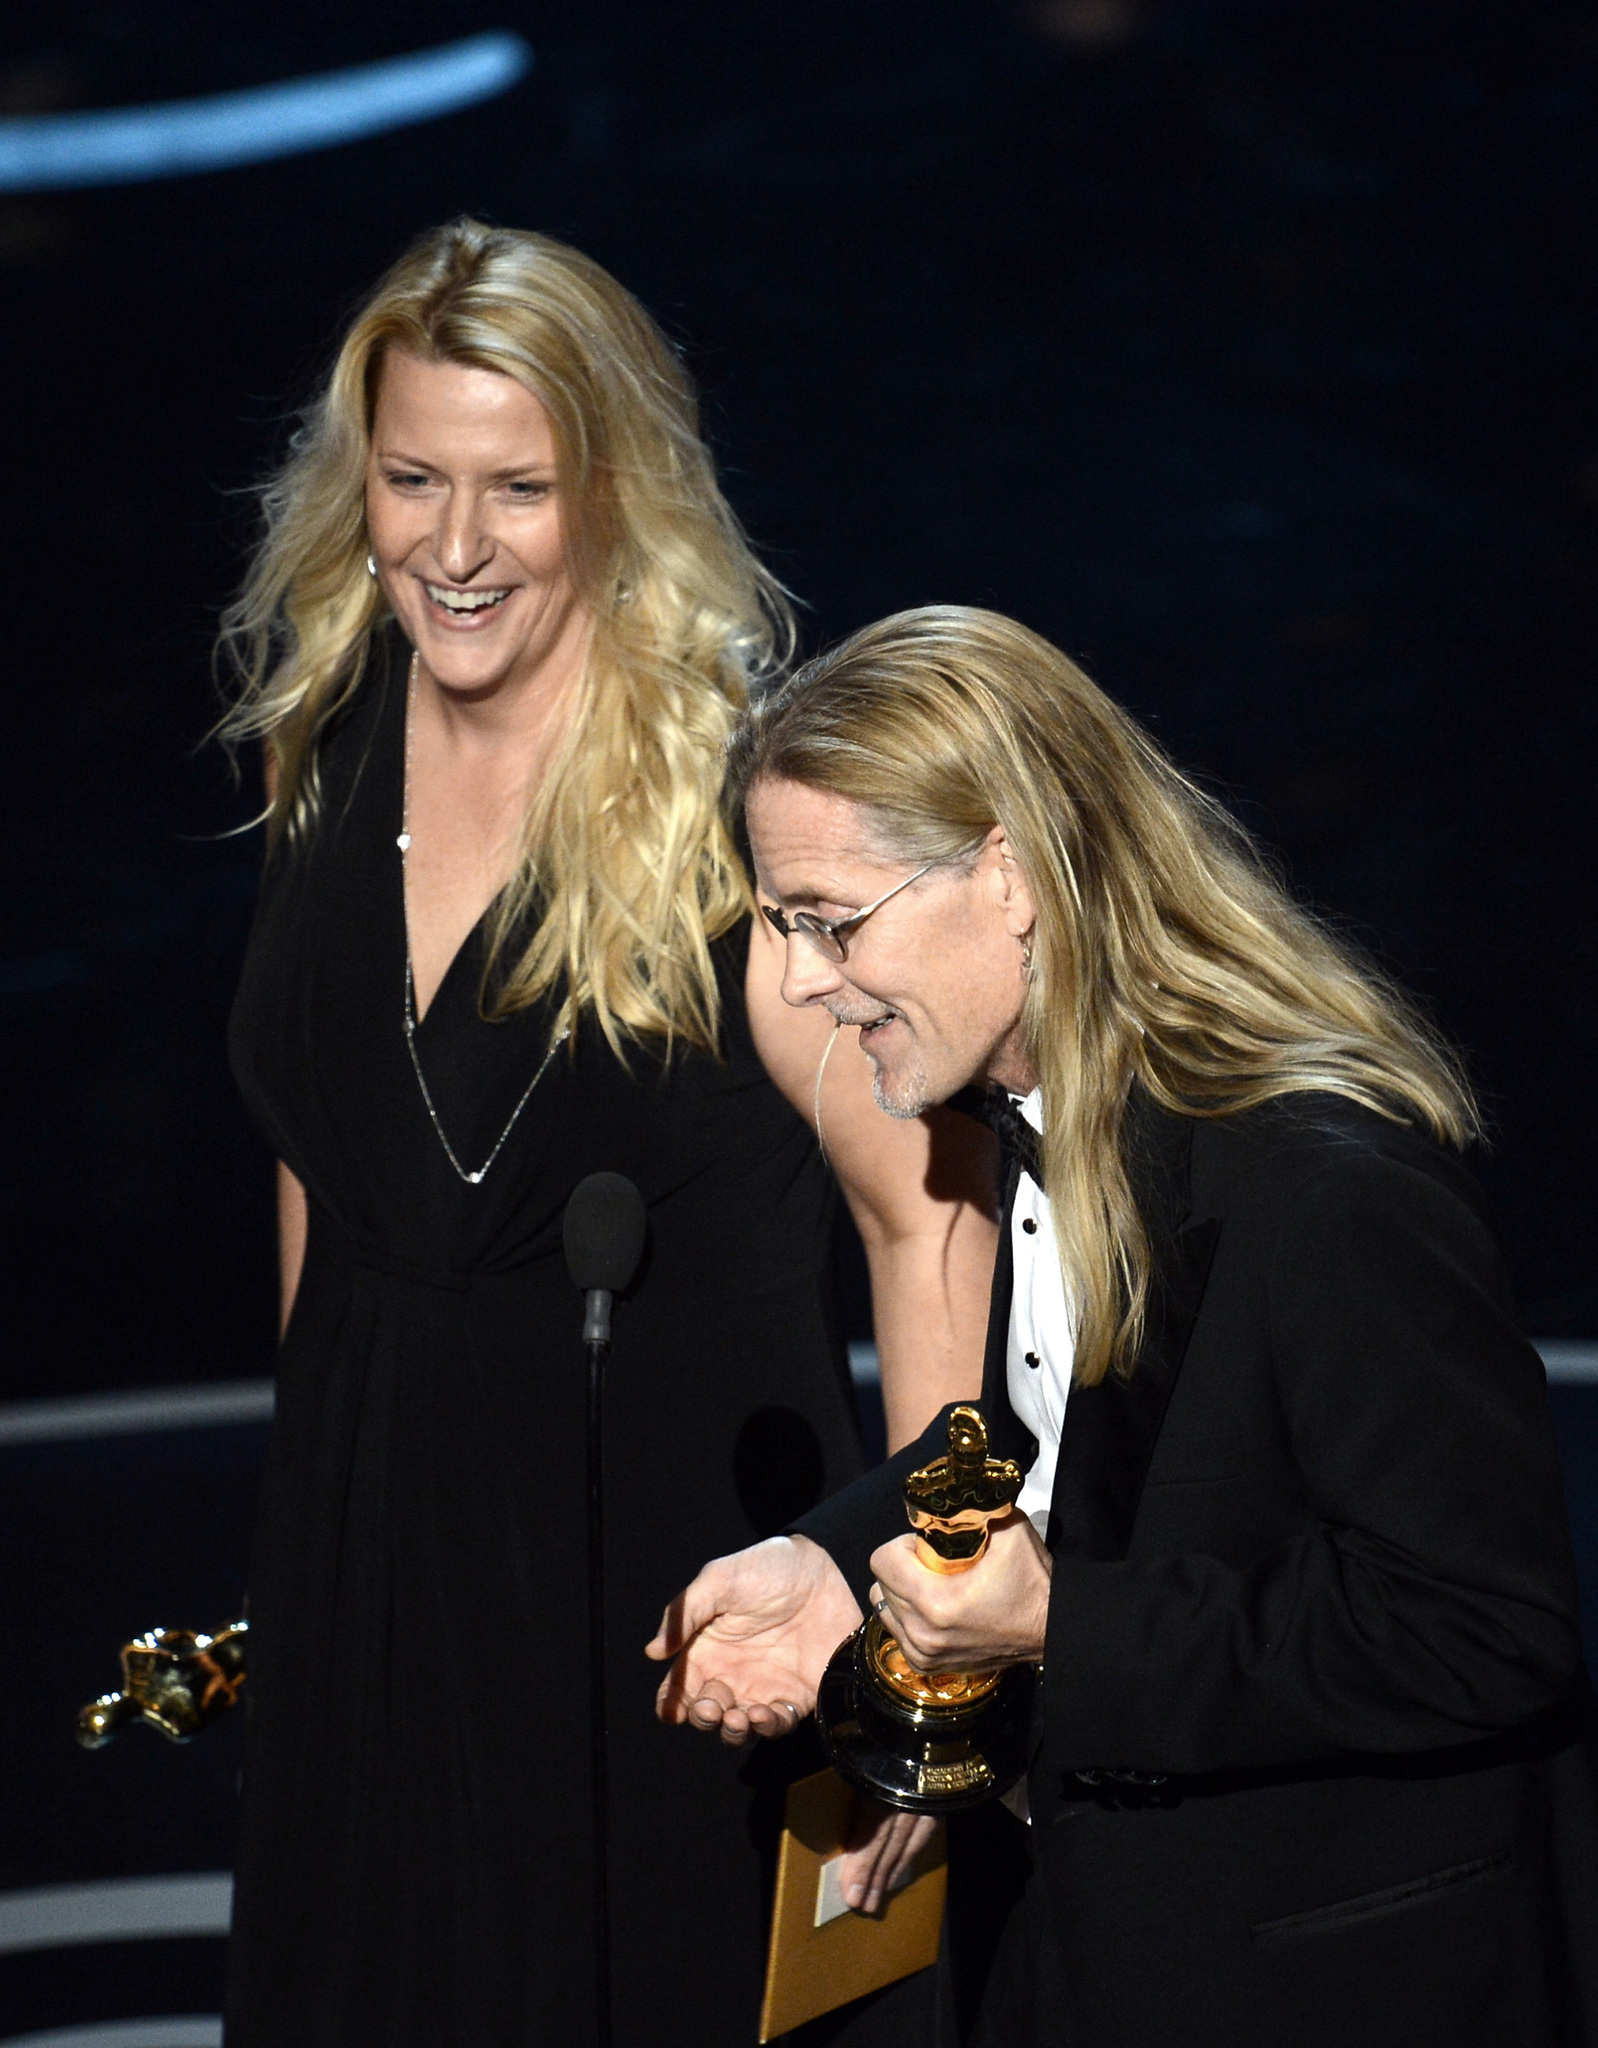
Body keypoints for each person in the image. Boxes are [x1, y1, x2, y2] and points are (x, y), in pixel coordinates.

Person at [218, 225, 997, 2047]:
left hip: (678, 1590)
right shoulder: (320, 746)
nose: (456, 548)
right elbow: (321, 1161)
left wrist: (923, 1661)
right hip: (368, 1556)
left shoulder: (744, 804)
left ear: (619, 492)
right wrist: (309, 1527)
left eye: (519, 490)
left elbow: (933, 1220)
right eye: (412, 479)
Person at [651, 606, 1598, 2047]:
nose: (796, 983)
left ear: (1011, 875)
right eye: (781, 925)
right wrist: (838, 1564)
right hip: (1109, 1944)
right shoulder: (1038, 1132)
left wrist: (1058, 1628)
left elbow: (1481, 1629)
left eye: (827, 921)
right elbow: (1067, 1465)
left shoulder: (1320, 1187)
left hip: (1323, 1984)